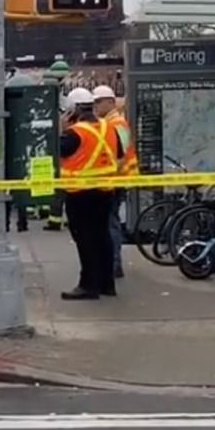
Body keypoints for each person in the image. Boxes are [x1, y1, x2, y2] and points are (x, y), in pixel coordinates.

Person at [59, 87, 123, 301]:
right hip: (105, 191)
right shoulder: (109, 128)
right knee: (103, 236)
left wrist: (62, 127)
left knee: (85, 240)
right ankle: (107, 284)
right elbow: (120, 153)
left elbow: (58, 152)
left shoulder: (74, 133)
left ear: (72, 110)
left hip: (80, 195)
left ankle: (88, 285)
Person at [93, 85, 138, 279]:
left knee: (111, 223)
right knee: (110, 221)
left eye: (97, 102)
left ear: (109, 102)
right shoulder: (109, 122)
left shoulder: (116, 123)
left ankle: (114, 264)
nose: (95, 106)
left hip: (116, 179)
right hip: (116, 178)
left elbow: (120, 153)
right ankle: (112, 263)